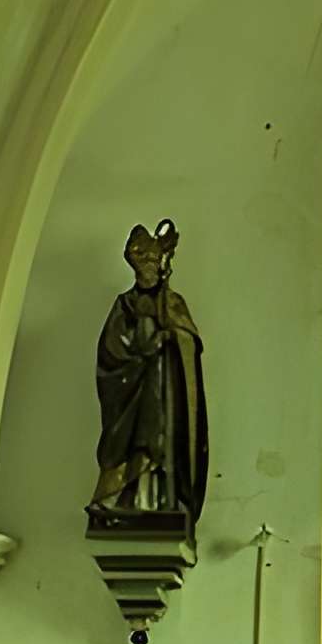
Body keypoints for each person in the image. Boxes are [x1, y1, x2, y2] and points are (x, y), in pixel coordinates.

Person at [90, 220, 208, 524]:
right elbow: (110, 349)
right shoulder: (125, 304)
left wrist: (169, 338)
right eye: (142, 267)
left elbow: (189, 346)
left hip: (164, 390)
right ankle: (123, 500)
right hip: (132, 390)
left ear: (159, 267)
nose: (148, 272)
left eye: (151, 266)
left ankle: (162, 502)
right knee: (134, 441)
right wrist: (138, 352)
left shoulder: (172, 303)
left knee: (160, 443)